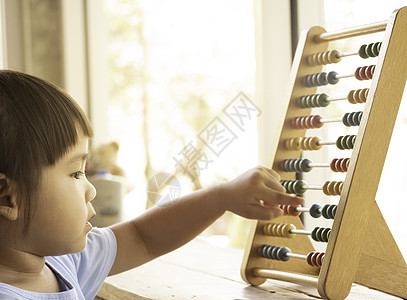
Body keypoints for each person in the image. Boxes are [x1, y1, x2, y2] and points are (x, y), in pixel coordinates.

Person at [0, 70, 303, 299]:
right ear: (8, 199)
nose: (91, 189)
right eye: (76, 174)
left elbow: (143, 237)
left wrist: (221, 197)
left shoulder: (63, 263)